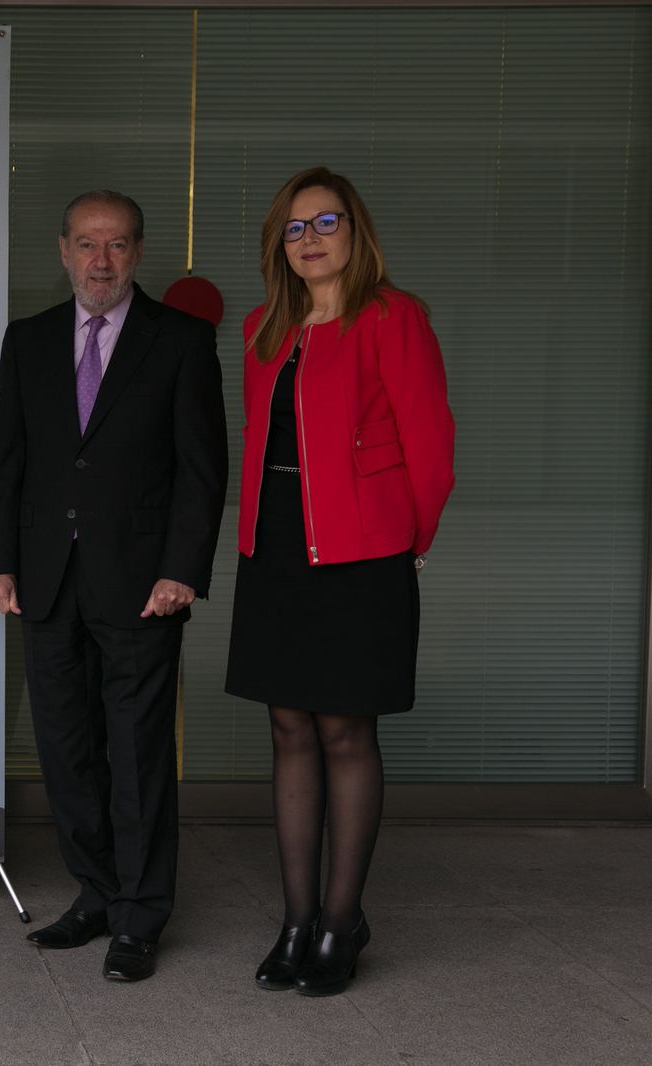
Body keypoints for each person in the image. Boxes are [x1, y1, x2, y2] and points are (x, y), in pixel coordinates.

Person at [0, 190, 227, 982]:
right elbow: (7, 462)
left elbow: (201, 470)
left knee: (138, 753)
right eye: (87, 243)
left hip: (142, 585)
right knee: (67, 752)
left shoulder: (182, 342)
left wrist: (182, 569)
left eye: (117, 245)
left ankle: (140, 917)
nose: (101, 260)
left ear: (138, 252)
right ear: (63, 251)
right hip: (46, 582)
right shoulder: (28, 341)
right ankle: (95, 893)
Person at [226, 166, 455, 997]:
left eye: (325, 223)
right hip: (276, 549)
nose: (310, 239)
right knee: (289, 727)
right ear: (278, 247)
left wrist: (408, 540)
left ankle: (340, 920)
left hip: (363, 553)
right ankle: (295, 920)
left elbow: (430, 444)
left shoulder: (394, 318)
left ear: (355, 233)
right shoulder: (263, 327)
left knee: (346, 734)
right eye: (294, 229)